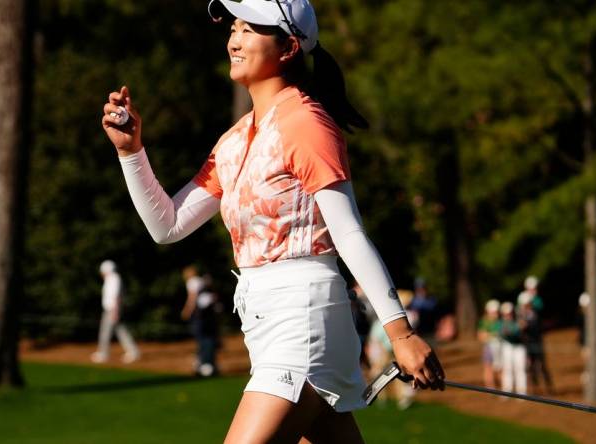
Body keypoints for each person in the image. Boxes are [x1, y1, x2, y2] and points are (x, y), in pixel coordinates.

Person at [101, 1, 444, 441]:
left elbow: (349, 232)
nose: (234, 38)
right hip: (271, 327)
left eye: (249, 29)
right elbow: (166, 226)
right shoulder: (236, 139)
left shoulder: (305, 122)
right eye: (234, 28)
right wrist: (131, 153)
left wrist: (400, 334)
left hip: (303, 320)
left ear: (288, 48)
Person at [91, 260, 141, 364]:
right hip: (112, 309)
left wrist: (115, 311)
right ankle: (133, 351)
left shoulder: (113, 278)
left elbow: (116, 296)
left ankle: (103, 353)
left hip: (112, 309)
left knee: (105, 332)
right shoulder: (112, 278)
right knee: (121, 330)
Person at [182, 266, 221, 377]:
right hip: (210, 315)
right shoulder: (202, 281)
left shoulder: (192, 282)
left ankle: (205, 364)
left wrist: (187, 311)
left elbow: (192, 298)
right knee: (209, 338)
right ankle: (209, 363)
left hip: (201, 315)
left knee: (203, 339)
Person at [517, 292, 553, 394]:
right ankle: (535, 388)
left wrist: (526, 325)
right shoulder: (521, 315)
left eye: (527, 304)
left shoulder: (535, 315)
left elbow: (538, 329)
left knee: (542, 365)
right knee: (530, 366)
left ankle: (549, 388)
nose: (525, 306)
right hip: (527, 344)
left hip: (537, 343)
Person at [499, 301, 526, 395]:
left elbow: (519, 332)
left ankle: (522, 392)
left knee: (520, 369)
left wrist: (519, 327)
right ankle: (506, 392)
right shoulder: (501, 324)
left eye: (509, 313)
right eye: (506, 313)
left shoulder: (517, 321)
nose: (508, 315)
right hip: (507, 346)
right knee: (507, 369)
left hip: (519, 346)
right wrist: (517, 328)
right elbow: (504, 333)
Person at [477, 299, 501, 389]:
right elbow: (480, 336)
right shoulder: (484, 322)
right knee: (488, 368)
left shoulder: (499, 322)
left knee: (500, 369)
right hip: (489, 348)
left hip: (499, 347)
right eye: (494, 312)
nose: (495, 314)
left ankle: (502, 389)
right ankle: (490, 388)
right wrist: (492, 335)